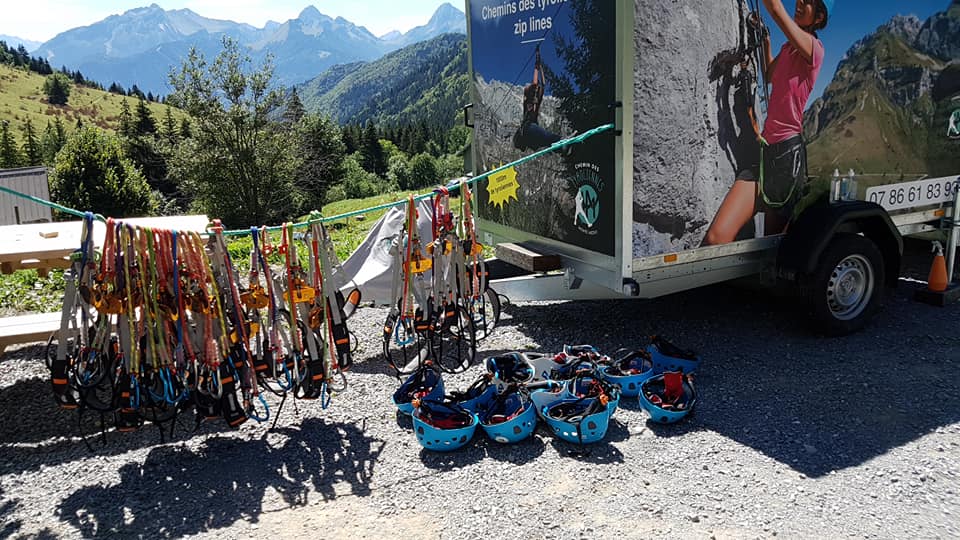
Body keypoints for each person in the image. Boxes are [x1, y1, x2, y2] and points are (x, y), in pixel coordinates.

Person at [703, 0, 832, 245]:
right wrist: (766, 41)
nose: (800, 2)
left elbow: (775, 8)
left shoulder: (815, 49)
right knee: (717, 237)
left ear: (819, 18)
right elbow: (769, 74)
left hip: (786, 157)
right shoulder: (789, 48)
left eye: (809, 2)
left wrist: (772, 14)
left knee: (772, 250)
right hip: (765, 152)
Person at [514, 46, 562, 152]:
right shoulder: (528, 99)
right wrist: (536, 64)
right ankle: (560, 141)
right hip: (528, 129)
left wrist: (540, 67)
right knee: (547, 137)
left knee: (547, 141)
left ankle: (562, 148)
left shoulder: (537, 100)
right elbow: (536, 83)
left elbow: (543, 84)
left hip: (531, 135)